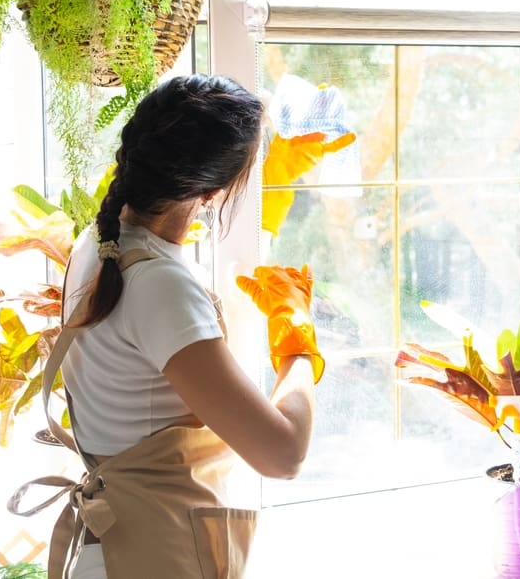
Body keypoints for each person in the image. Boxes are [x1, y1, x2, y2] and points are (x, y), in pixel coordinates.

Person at [26, 74, 326, 579]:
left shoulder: (99, 243)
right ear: (213, 191)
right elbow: (283, 455)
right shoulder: (159, 284)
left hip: (118, 545)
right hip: (153, 554)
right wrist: (296, 334)